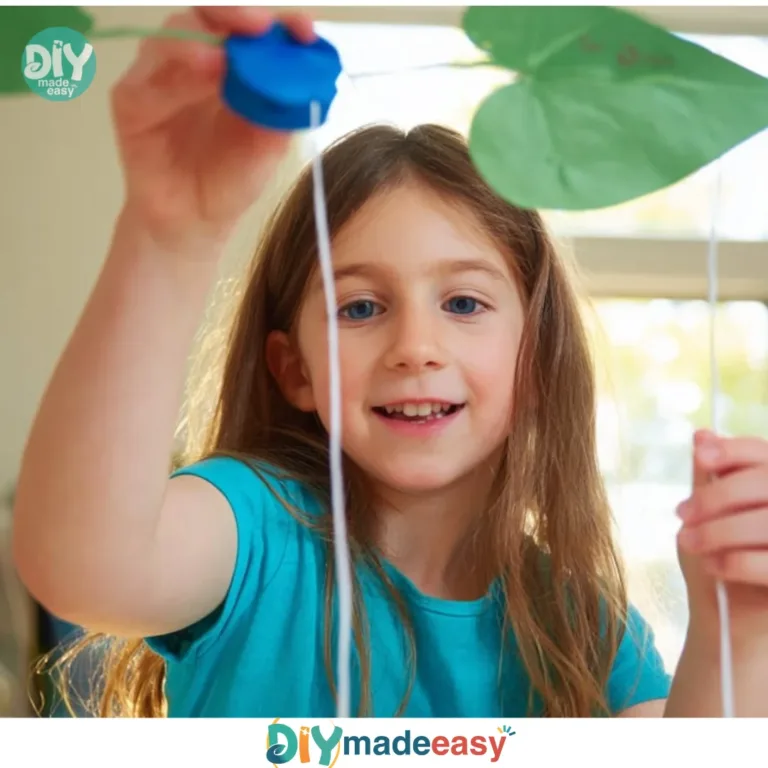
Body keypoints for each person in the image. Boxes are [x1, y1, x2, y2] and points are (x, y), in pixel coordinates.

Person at [11, 7, 768, 718]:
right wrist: (168, 234)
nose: (415, 348)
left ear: (535, 361)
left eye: (464, 304)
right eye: (361, 308)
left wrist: (736, 630)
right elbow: (84, 569)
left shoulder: (578, 620)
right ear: (295, 371)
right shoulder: (253, 533)